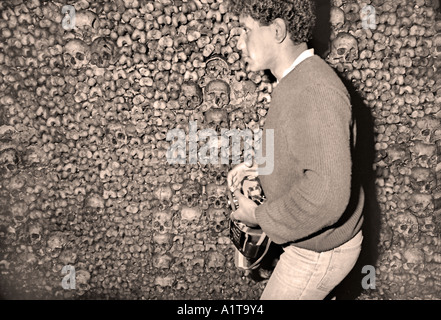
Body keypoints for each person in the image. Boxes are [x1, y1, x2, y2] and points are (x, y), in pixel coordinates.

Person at [226, 0, 365, 300]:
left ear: (277, 30)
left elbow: (327, 196)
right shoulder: (294, 79)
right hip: (311, 242)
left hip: (318, 254)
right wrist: (259, 165)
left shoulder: (315, 91)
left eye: (246, 30)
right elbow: (303, 146)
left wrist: (259, 217)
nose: (239, 42)